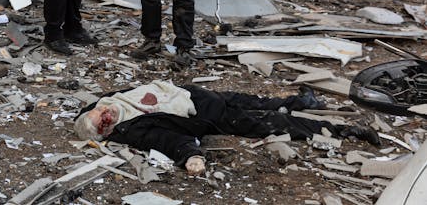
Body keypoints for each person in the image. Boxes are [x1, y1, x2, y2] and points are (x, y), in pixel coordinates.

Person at [74, 81, 381, 176]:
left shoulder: (113, 98)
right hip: (211, 117)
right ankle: (346, 131)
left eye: (99, 111)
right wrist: (189, 156)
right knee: (276, 124)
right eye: (103, 122)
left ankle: (302, 101)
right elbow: (166, 138)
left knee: (263, 102)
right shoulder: (131, 130)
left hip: (200, 96)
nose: (105, 113)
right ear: (106, 133)